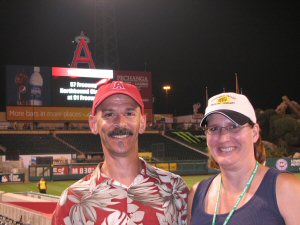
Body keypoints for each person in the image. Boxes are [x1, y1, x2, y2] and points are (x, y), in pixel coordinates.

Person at [52, 80, 189, 225]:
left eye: (129, 113)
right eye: (109, 114)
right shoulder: (72, 200)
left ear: (142, 123)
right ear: (93, 124)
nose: (121, 123)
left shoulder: (175, 189)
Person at [188, 92, 300, 225]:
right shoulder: (196, 194)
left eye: (234, 126)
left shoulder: (287, 189)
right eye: (214, 128)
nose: (223, 138)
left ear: (254, 132)